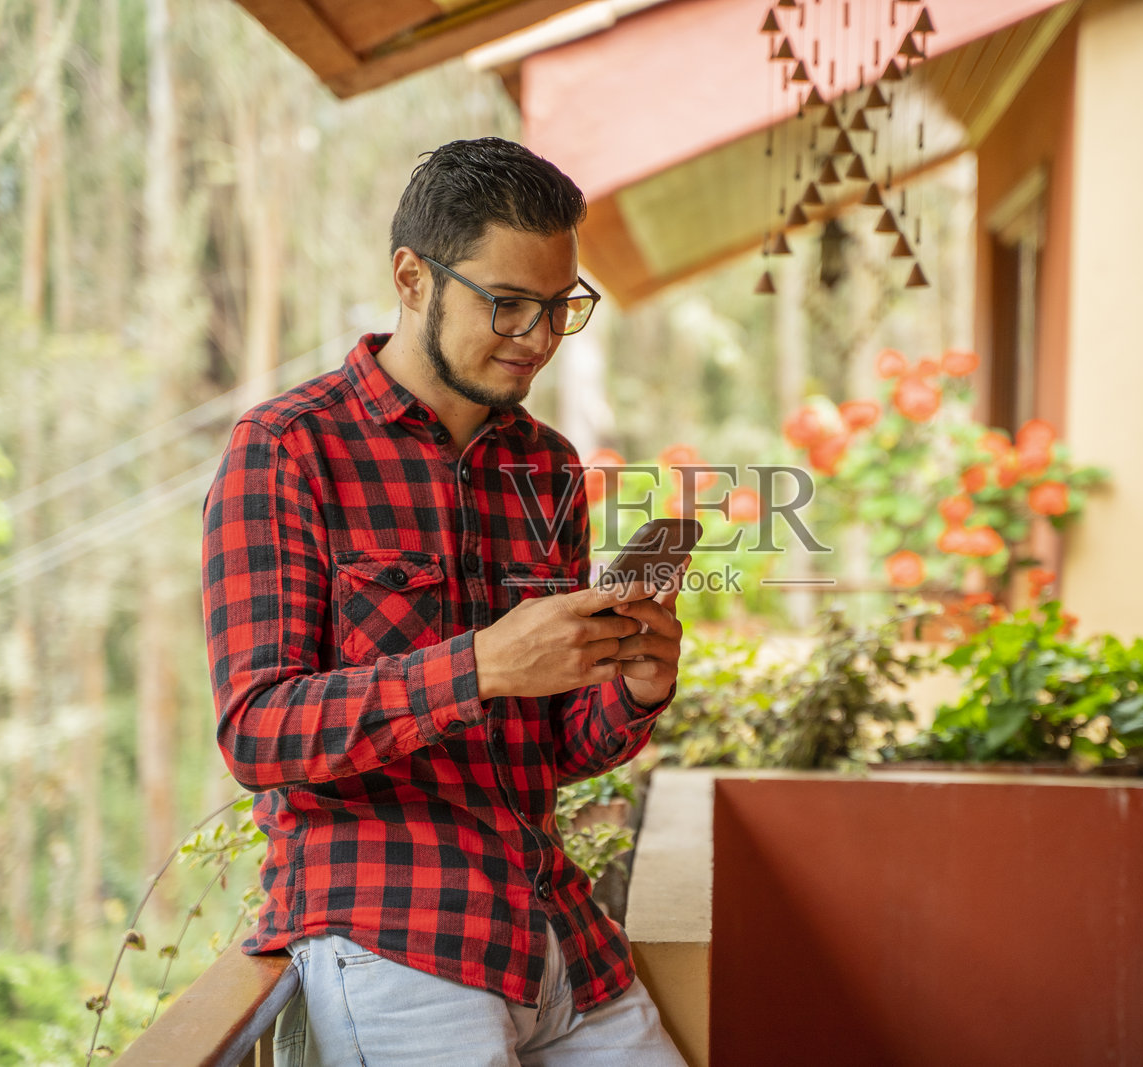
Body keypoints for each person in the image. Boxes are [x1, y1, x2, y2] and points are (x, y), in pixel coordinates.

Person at [201, 137, 688, 1066]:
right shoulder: (288, 449)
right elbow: (257, 732)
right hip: (398, 941)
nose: (539, 337)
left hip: (560, 942)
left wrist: (632, 686)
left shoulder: (547, 467)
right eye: (506, 303)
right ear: (411, 277)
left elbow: (553, 748)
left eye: (561, 306)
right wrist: (482, 665)